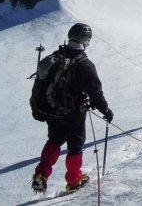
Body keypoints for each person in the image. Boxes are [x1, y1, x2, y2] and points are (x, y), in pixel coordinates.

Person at [31, 23, 114, 194]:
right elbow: (96, 94)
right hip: (73, 114)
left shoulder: (55, 58)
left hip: (52, 112)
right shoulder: (85, 65)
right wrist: (106, 111)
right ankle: (74, 180)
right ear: (85, 42)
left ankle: (41, 172)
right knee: (75, 147)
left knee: (54, 140)